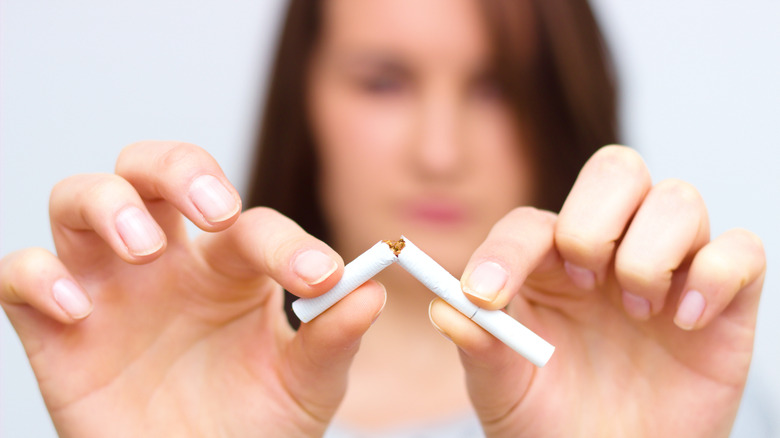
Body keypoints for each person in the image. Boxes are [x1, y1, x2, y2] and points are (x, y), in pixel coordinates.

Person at [0, 0, 767, 436]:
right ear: (306, 102)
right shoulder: (112, 398)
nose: (439, 153)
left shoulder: (704, 409)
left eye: (495, 88)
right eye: (383, 83)